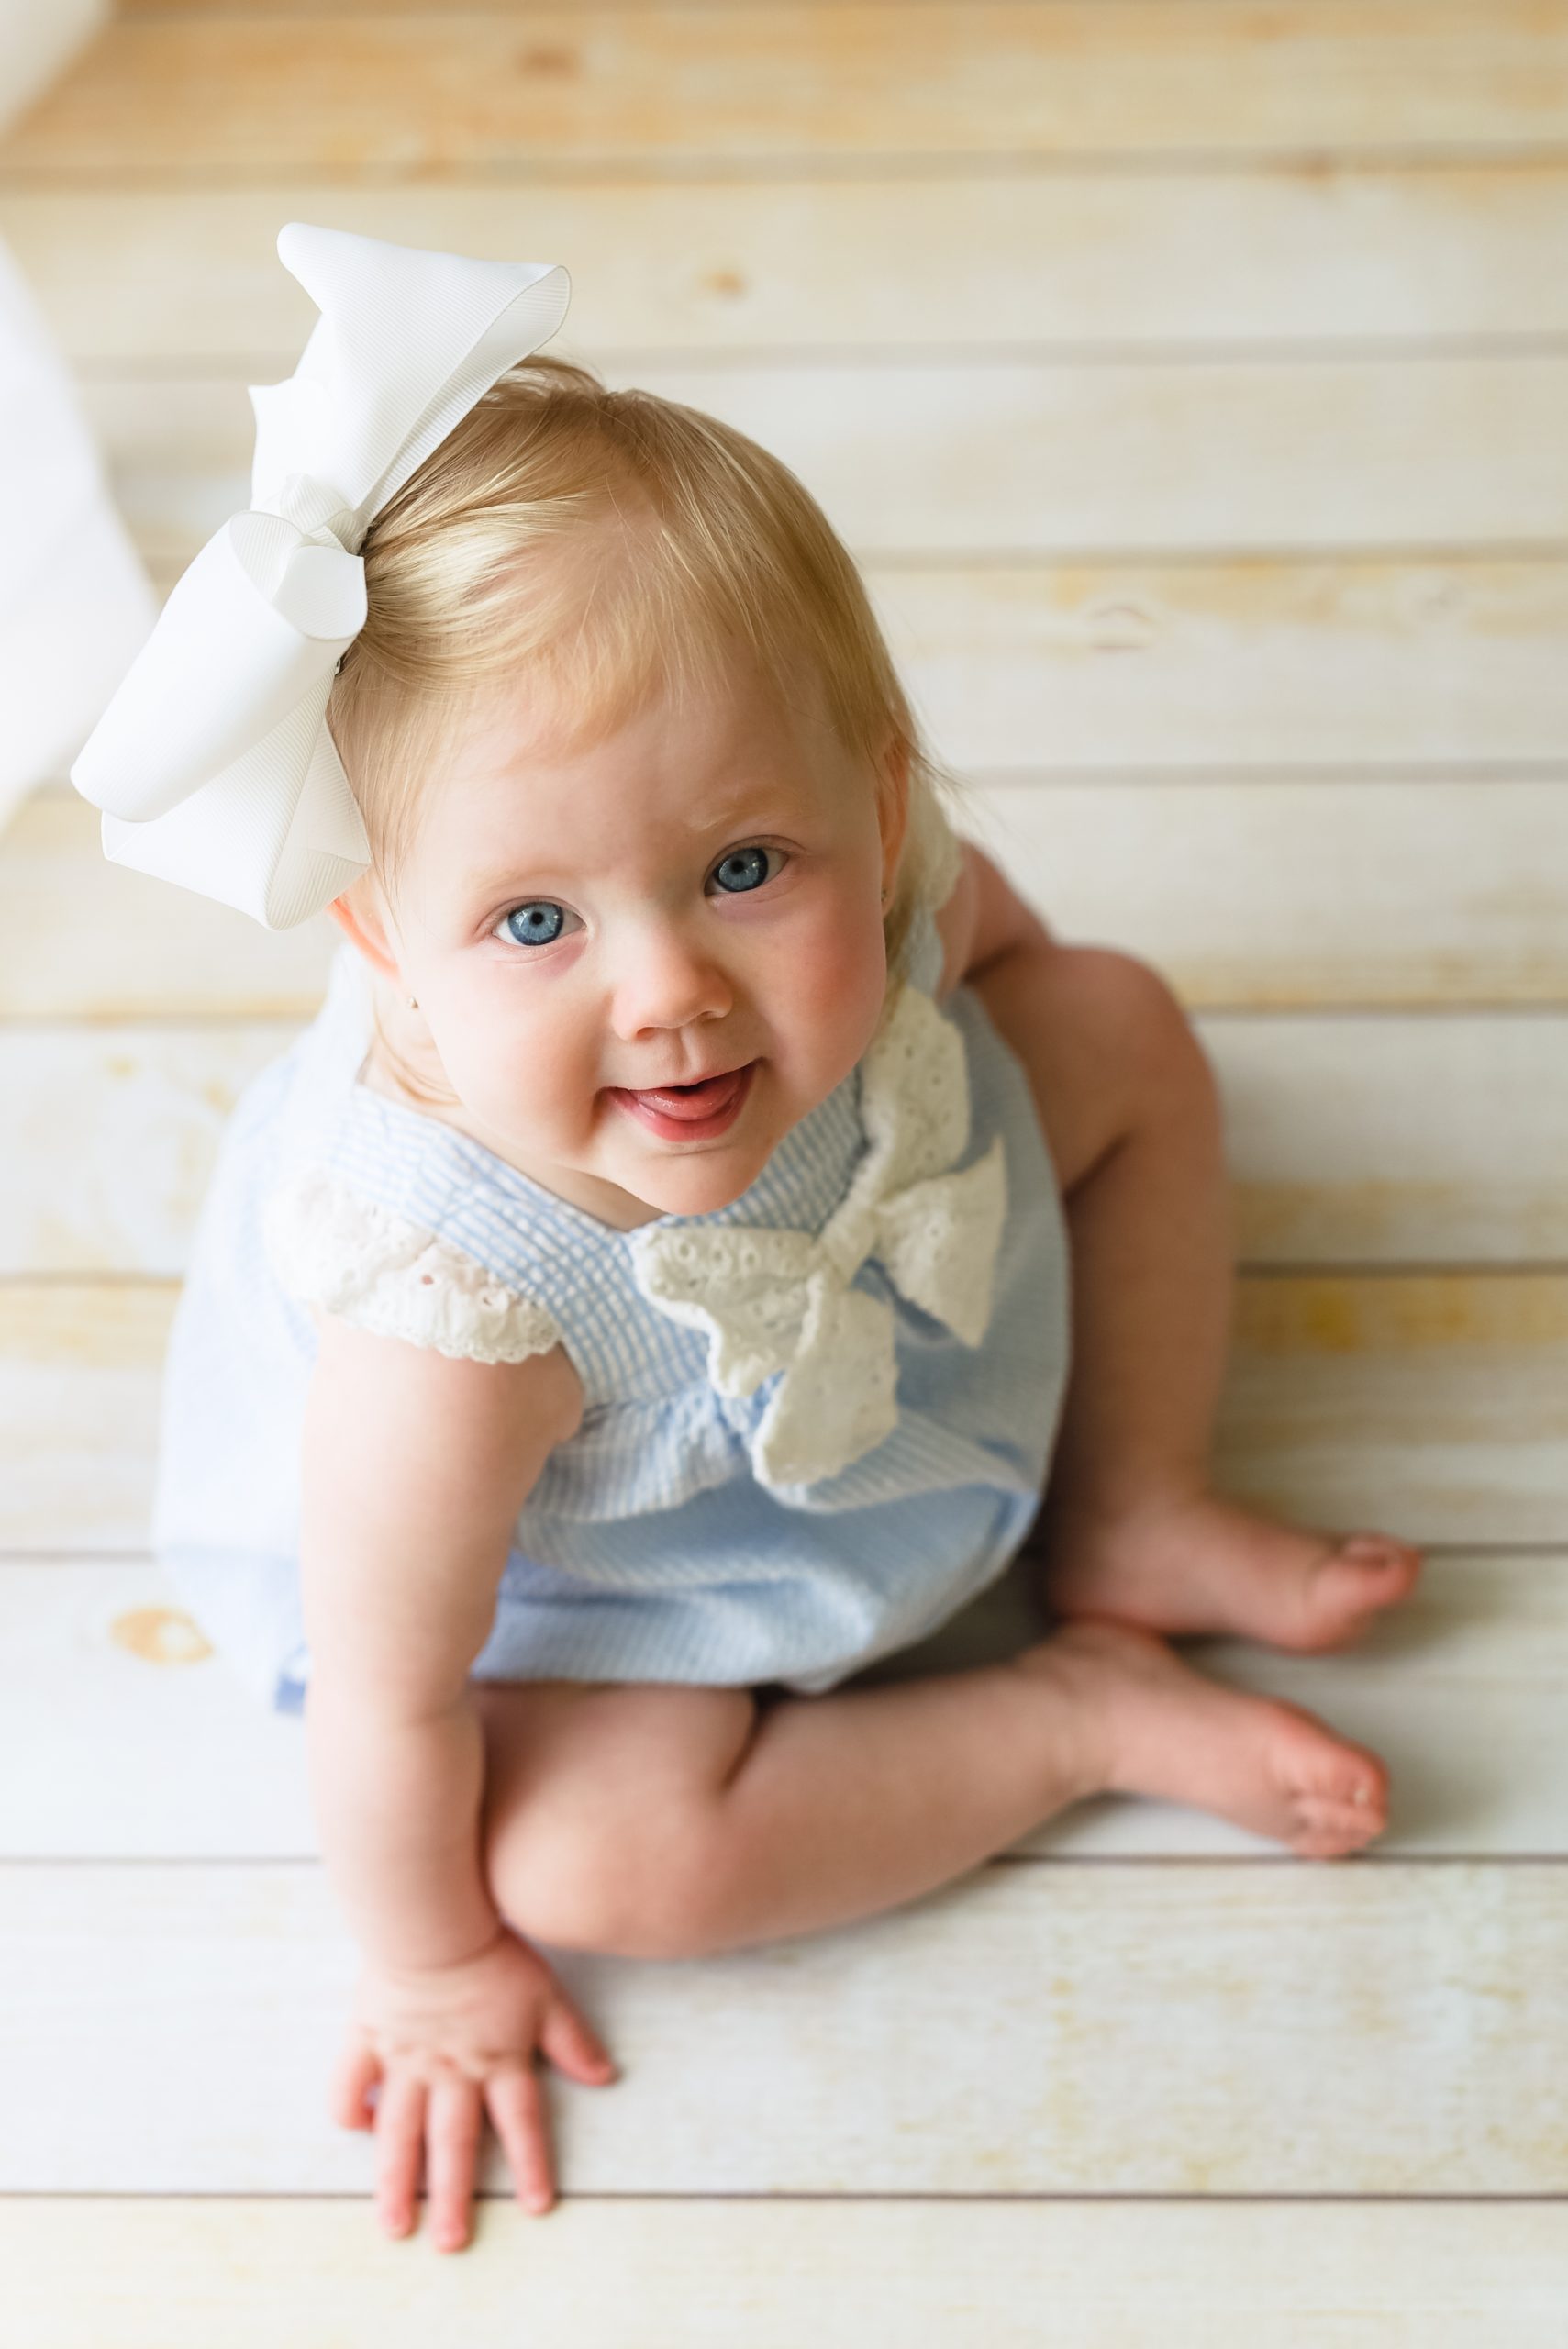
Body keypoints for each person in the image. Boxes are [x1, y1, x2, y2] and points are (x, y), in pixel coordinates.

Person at [72, 223, 1423, 2258]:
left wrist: (970, 1069)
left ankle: (1134, 1500)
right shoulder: (456, 1318)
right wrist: (433, 1962)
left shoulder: (887, 900)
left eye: (742, 864)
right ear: (384, 944)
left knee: (1119, 1025)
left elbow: (1017, 975)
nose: (671, 990)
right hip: (615, 1579)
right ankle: (1072, 1711)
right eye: (536, 920)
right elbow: (388, 1695)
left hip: (888, 1310)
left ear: (876, 813)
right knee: (607, 1864)